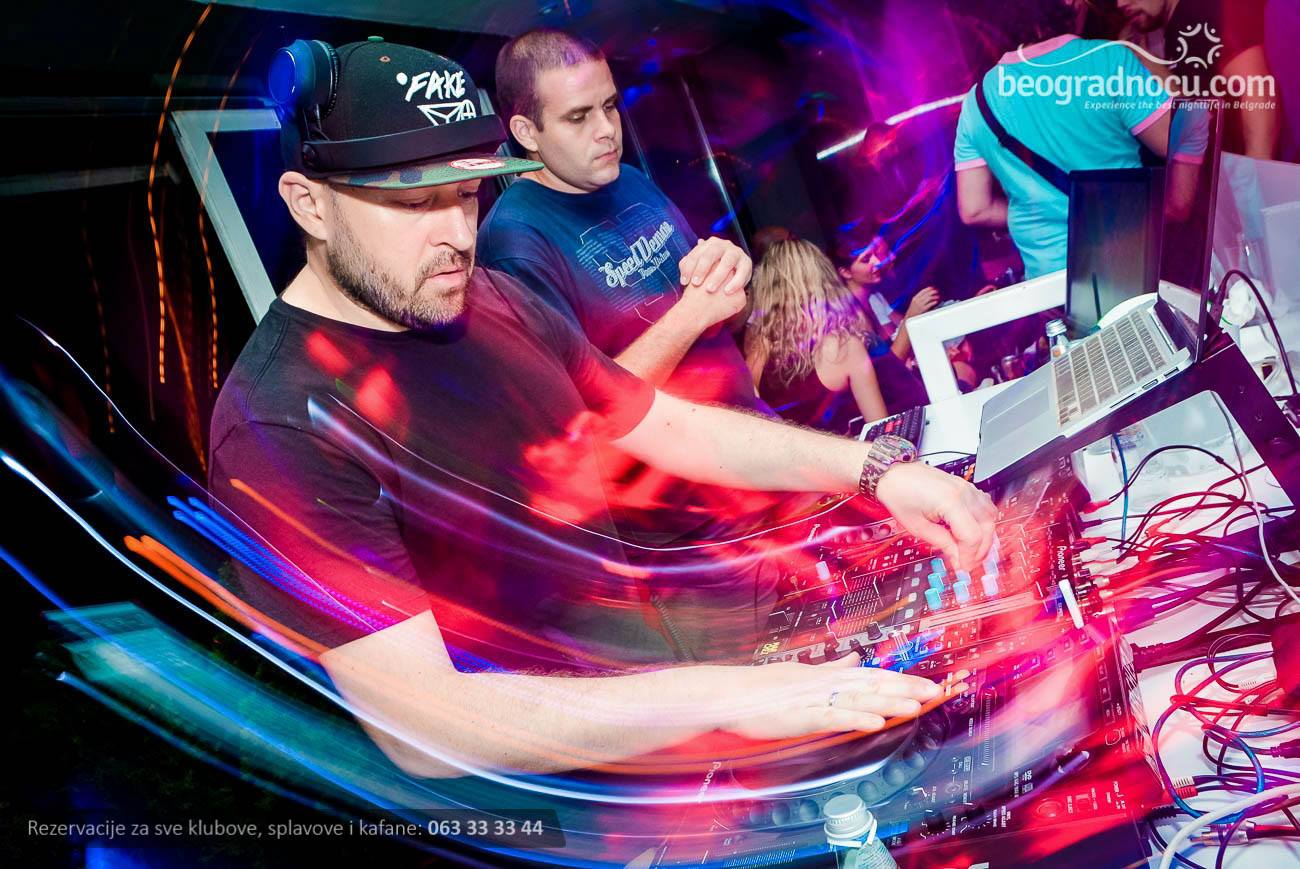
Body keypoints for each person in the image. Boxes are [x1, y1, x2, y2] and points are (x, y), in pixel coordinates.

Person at [209, 38, 995, 779]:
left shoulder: (492, 298)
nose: (456, 236)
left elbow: (661, 422)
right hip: (578, 806)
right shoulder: (278, 425)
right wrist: (721, 698)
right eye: (414, 202)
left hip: (674, 697)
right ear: (309, 204)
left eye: (467, 194)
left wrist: (874, 469)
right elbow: (427, 724)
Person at [954, 32, 1173, 278]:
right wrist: (1151, 64)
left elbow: (974, 209)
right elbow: (1174, 142)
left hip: (1047, 278)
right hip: (1128, 260)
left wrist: (1035, 212)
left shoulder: (975, 103)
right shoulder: (1109, 58)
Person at [746, 239, 891, 434]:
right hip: (843, 453)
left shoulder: (759, 350)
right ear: (824, 280)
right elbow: (881, 430)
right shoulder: (844, 346)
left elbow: (754, 422)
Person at [1116, 0, 1278, 159]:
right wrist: (1146, 62)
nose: (1120, 4)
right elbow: (1195, 108)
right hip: (1220, 170)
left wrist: (1258, 166)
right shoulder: (1181, 25)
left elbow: (1256, 84)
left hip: (1235, 170)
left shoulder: (1203, 11)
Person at [833, 234, 940, 363]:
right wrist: (911, 316)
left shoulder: (869, 300)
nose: (878, 262)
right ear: (846, 272)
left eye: (875, 254)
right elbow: (890, 365)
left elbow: (891, 348)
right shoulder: (851, 315)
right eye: (866, 259)